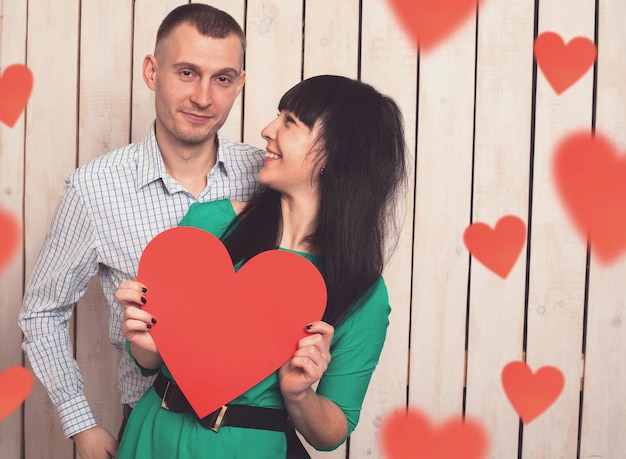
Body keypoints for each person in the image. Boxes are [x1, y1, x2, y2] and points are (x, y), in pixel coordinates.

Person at [114, 74, 408, 458]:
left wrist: (299, 394)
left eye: (290, 122)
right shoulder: (209, 224)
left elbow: (332, 430)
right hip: (153, 433)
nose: (267, 131)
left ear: (338, 153)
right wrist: (144, 343)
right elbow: (148, 360)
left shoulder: (361, 290)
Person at [18, 4, 264, 458]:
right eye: (187, 72)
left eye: (223, 78)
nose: (204, 98)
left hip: (255, 430)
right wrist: (82, 425)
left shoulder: (265, 176)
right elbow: (41, 314)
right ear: (152, 71)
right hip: (151, 425)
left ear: (240, 84)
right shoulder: (93, 189)